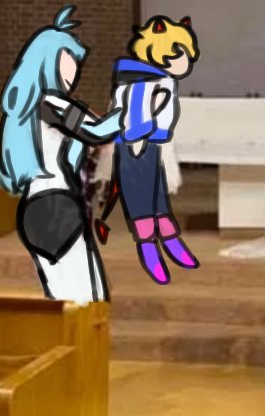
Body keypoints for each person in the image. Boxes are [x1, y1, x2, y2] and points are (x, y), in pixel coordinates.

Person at [0, 5, 122, 304]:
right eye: (67, 64)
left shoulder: (25, 109)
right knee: (88, 299)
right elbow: (99, 131)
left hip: (36, 207)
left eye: (75, 65)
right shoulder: (52, 104)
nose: (73, 73)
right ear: (47, 63)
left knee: (62, 301)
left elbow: (88, 140)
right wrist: (133, 108)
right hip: (57, 206)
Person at [95, 15, 200, 285]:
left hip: (154, 146)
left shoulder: (165, 83)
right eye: (182, 55)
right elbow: (118, 113)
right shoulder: (129, 82)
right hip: (129, 146)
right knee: (139, 200)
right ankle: (149, 249)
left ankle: (170, 240)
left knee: (157, 197)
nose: (186, 62)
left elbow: (164, 117)